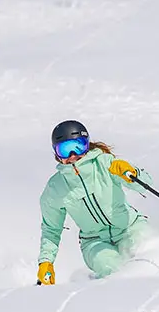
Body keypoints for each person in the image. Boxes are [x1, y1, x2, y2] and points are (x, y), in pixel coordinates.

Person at [37, 120, 152, 285]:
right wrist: (46, 262)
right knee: (112, 269)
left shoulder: (105, 164)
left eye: (78, 146)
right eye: (64, 150)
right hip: (95, 242)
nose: (72, 155)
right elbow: (51, 230)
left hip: (129, 227)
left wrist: (131, 173)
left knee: (148, 253)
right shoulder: (55, 188)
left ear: (87, 144)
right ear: (56, 154)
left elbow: (146, 185)